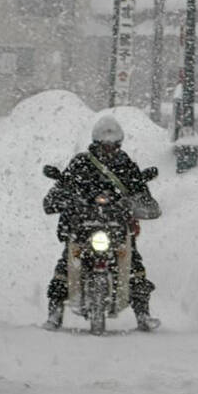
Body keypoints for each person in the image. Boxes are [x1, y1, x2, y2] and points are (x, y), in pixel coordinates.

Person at [43, 116, 161, 332]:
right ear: (96, 144)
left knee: (135, 266)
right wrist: (63, 198)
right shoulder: (80, 164)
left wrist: (141, 202)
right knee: (65, 263)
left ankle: (143, 314)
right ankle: (55, 311)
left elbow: (142, 194)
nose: (109, 151)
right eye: (104, 146)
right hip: (82, 227)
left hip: (116, 229)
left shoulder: (126, 165)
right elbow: (60, 190)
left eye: (113, 146)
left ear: (119, 145)